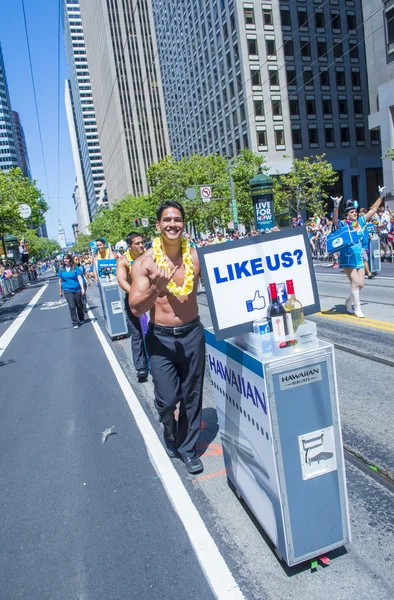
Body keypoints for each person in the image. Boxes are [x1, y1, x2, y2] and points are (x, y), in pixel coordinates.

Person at [129, 200, 205, 474]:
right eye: (167, 220)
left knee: (192, 394)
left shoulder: (196, 257)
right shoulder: (144, 263)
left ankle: (188, 449)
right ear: (158, 224)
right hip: (160, 339)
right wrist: (156, 290)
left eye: (177, 219)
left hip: (193, 333)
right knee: (167, 399)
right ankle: (168, 425)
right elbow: (136, 308)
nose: (173, 224)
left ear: (183, 224)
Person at [332, 194, 383, 318]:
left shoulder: (360, 221)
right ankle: (357, 308)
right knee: (355, 282)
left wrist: (381, 196)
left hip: (359, 257)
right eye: (352, 212)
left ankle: (349, 302)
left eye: (355, 211)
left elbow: (373, 210)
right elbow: (335, 220)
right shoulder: (344, 224)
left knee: (360, 284)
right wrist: (336, 206)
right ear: (347, 214)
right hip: (347, 256)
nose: (355, 213)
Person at [116, 232, 148, 382]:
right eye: (137, 243)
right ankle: (141, 367)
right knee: (137, 334)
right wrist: (134, 294)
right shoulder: (123, 261)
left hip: (151, 298)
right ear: (129, 246)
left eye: (142, 242)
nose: (141, 246)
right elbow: (121, 280)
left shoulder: (148, 256)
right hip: (133, 300)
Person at [58, 253, 85, 328]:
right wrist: (60, 291)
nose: (65, 260)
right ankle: (75, 322)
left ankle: (81, 317)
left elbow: (79, 278)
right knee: (72, 306)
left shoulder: (75, 268)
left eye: (67, 259)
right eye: (64, 259)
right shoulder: (61, 269)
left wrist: (82, 288)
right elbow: (60, 281)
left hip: (76, 289)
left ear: (70, 259)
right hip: (67, 289)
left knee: (79, 305)